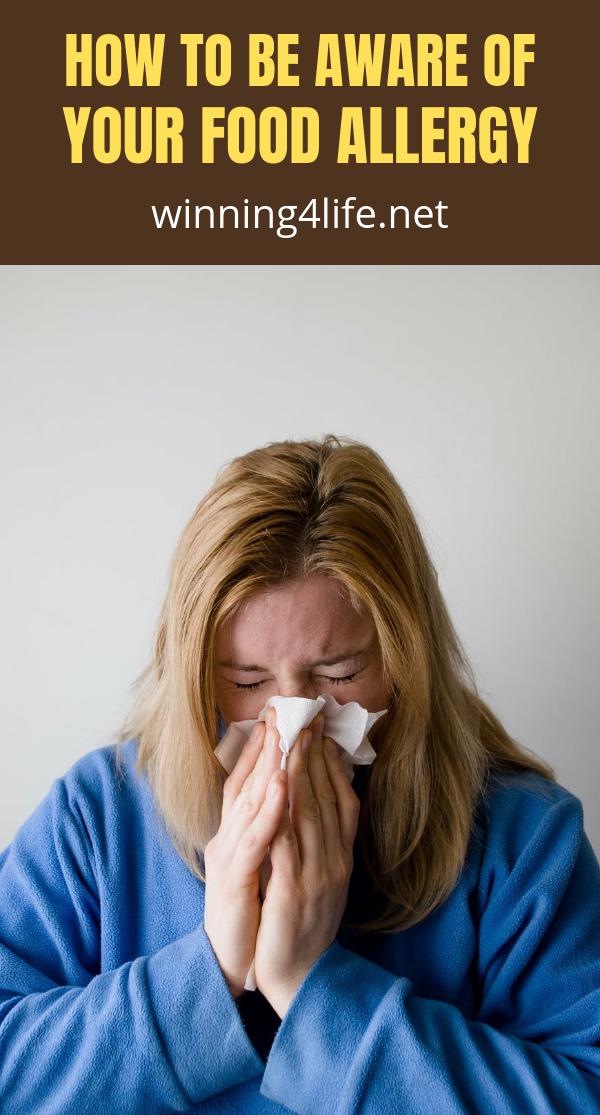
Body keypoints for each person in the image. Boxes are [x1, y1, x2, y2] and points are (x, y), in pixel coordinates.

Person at [1, 434, 599, 1114]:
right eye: (246, 680)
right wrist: (213, 970)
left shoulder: (522, 839)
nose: (294, 722)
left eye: (338, 673)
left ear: (405, 659)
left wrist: (311, 985)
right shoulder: (97, 817)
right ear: (195, 674)